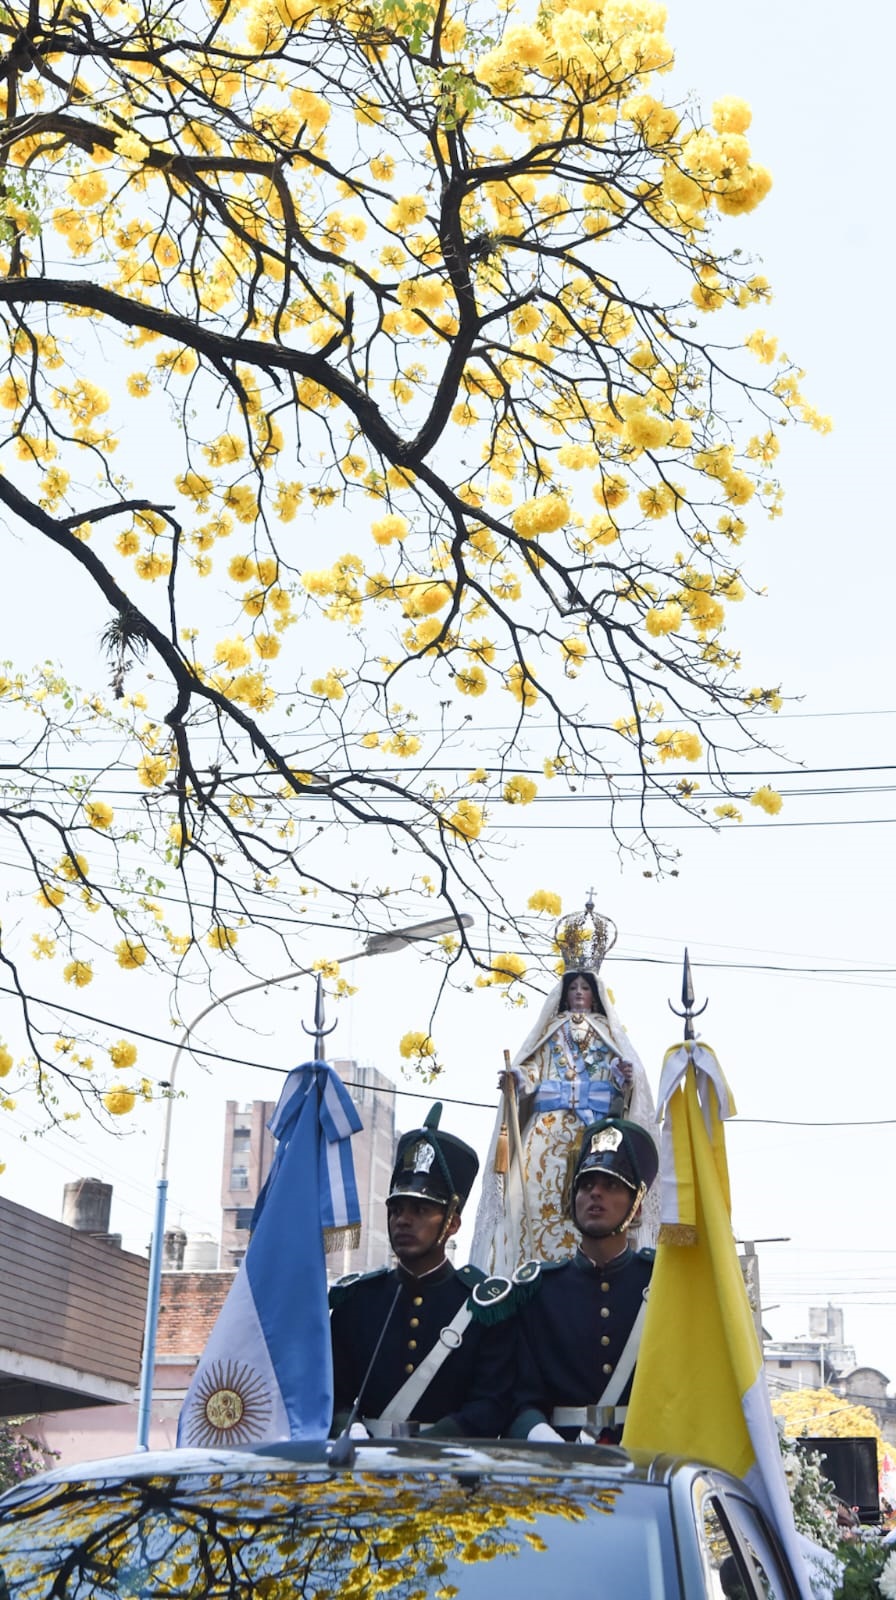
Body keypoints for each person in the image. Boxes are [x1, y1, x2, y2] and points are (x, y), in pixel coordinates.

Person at [470, 897, 659, 1275]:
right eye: (572, 988)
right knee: (533, 1202)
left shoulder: (609, 1035)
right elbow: (534, 1069)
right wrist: (518, 1079)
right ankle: (530, 1267)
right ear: (563, 994)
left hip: (596, 1135)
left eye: (584, 988)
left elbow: (625, 1087)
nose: (577, 993)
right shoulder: (551, 1034)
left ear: (595, 994)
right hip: (546, 1132)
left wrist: (625, 1077)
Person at [329, 1104, 517, 1438]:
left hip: (449, 1472)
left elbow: (492, 1404)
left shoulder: (484, 1308)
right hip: (366, 1468)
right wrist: (352, 1432)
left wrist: (429, 1445)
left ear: (452, 1223)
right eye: (397, 1209)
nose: (403, 1220)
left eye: (421, 1209)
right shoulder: (356, 1301)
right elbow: (332, 1392)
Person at [507, 1114, 659, 1442]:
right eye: (586, 1185)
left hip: (643, 1460)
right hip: (558, 1463)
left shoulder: (660, 1285)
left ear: (638, 1204)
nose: (595, 1194)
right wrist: (546, 1442)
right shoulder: (539, 1291)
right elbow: (519, 1395)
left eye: (611, 1185)